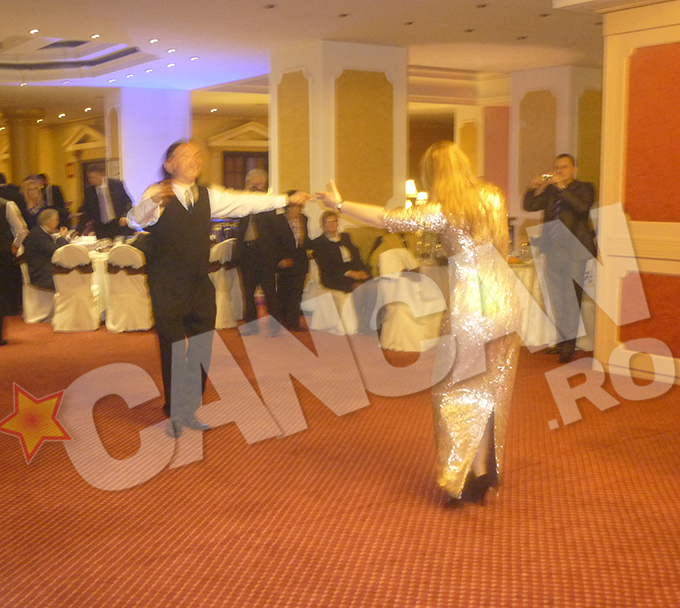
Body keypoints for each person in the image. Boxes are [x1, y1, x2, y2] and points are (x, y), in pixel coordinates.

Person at [316, 142, 520, 505]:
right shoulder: (493, 197)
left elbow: (385, 218)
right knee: (491, 388)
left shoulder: (444, 210)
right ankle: (482, 470)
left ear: (433, 175)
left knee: (454, 392)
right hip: (505, 298)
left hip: (472, 305)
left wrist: (341, 205)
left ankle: (458, 479)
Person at [127, 141, 309, 438]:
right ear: (170, 164)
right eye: (185, 156)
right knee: (173, 348)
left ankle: (190, 407)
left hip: (199, 282)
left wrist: (285, 199)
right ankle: (175, 410)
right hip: (167, 284)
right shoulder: (157, 193)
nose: (194, 160)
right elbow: (136, 220)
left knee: (202, 345)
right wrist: (153, 201)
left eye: (196, 156)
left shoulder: (208, 196)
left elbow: (245, 203)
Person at [523, 154, 596, 363]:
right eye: (556, 168)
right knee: (557, 299)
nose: (559, 171)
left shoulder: (585, 188)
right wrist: (531, 188)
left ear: (574, 170)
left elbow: (582, 207)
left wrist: (563, 188)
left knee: (571, 297)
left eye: (564, 167)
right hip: (553, 250)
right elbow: (530, 205)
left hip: (574, 251)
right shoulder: (551, 191)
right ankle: (563, 341)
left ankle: (569, 346)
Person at [231, 169, 280, 335]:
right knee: (248, 292)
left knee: (269, 292)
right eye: (252, 184)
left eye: (258, 184)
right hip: (246, 252)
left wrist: (260, 199)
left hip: (264, 253)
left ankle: (274, 327)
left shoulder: (268, 202)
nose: (255, 187)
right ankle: (251, 326)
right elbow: (234, 215)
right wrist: (245, 196)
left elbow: (273, 223)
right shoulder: (242, 202)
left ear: (264, 185)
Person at [311, 210, 375, 334]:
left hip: (353, 272)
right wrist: (350, 273)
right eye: (328, 221)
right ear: (322, 225)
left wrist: (362, 271)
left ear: (338, 223)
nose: (331, 224)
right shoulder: (319, 243)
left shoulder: (346, 237)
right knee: (359, 288)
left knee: (373, 286)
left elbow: (356, 257)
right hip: (334, 276)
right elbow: (328, 266)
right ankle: (360, 323)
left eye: (334, 221)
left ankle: (369, 321)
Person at [268, 190, 312, 331]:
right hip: (285, 260)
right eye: (296, 206)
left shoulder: (304, 219)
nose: (299, 209)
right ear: (288, 206)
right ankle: (283, 318)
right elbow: (273, 243)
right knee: (284, 291)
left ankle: (293, 322)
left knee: (297, 292)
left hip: (300, 260)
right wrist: (280, 259)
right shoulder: (278, 221)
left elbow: (304, 240)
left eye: (300, 206)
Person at [76, 164, 134, 239]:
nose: (90, 180)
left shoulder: (116, 184)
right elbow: (87, 211)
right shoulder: (89, 191)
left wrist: (125, 215)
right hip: (101, 228)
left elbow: (127, 201)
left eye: (93, 177)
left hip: (118, 224)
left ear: (102, 175)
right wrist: (79, 230)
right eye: (89, 178)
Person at [0, 195, 28, 345]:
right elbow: (21, 230)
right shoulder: (6, 205)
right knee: (2, 293)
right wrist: (15, 246)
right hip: (3, 254)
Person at [23, 208, 69, 291]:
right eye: (56, 220)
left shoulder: (39, 231)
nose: (58, 222)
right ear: (49, 221)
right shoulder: (39, 234)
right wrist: (62, 237)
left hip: (43, 270)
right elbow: (57, 251)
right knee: (75, 275)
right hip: (42, 276)